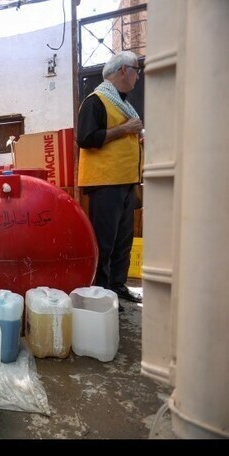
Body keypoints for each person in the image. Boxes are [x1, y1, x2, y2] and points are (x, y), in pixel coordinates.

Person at [77, 51, 144, 308]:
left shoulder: (122, 103)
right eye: (136, 70)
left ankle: (117, 285)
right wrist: (125, 130)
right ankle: (101, 290)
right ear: (123, 71)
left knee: (123, 240)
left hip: (125, 180)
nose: (138, 76)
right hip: (105, 182)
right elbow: (85, 138)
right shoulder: (96, 101)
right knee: (105, 240)